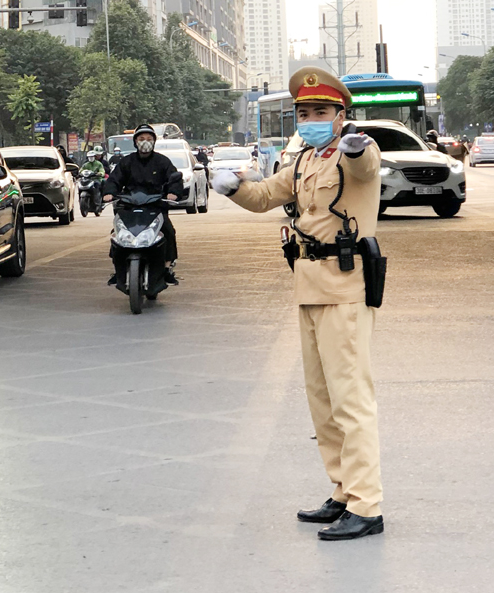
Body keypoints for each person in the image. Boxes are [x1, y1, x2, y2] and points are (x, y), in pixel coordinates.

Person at [210, 66, 385, 541]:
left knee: (351, 400)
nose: (310, 118)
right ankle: (344, 491)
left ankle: (367, 504)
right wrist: (233, 188)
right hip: (309, 286)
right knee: (322, 401)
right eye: (304, 112)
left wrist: (354, 143)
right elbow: (269, 194)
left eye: (320, 111)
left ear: (340, 114)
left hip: (345, 289)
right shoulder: (306, 160)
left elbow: (368, 166)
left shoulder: (355, 150)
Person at [103, 124, 184, 284]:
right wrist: (109, 193)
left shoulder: (162, 161)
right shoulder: (127, 162)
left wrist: (173, 192)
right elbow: (114, 179)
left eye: (148, 139)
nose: (145, 142)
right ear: (135, 142)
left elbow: (174, 178)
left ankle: (167, 268)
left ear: (154, 141)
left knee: (168, 231)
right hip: (129, 207)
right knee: (116, 234)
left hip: (155, 206)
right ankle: (117, 270)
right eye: (141, 139)